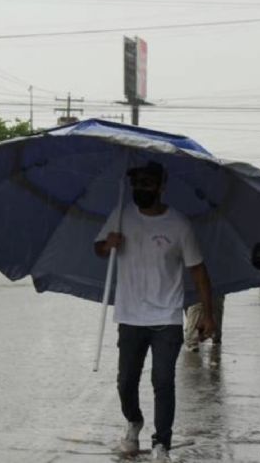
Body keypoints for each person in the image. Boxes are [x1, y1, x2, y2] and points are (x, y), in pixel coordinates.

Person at [94, 161, 215, 463]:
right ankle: (133, 422)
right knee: (125, 382)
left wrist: (208, 315)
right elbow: (98, 248)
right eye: (136, 184)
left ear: (161, 187)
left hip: (167, 318)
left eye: (147, 184)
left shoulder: (179, 224)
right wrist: (107, 243)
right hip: (130, 316)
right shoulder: (120, 215)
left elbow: (198, 271)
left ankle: (162, 442)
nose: (140, 189)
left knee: (163, 381)